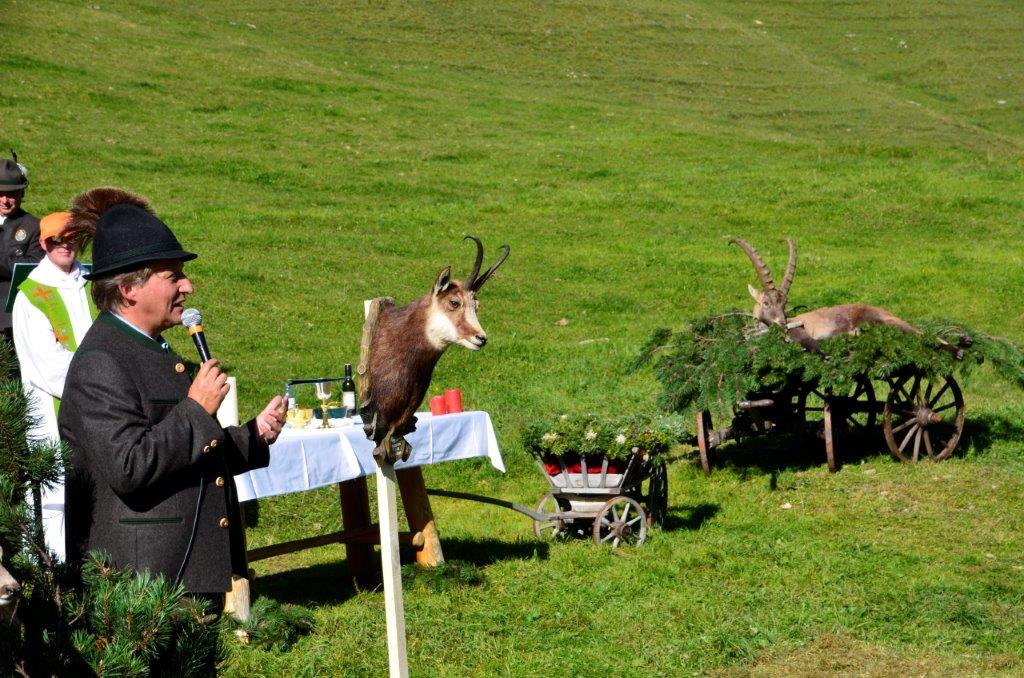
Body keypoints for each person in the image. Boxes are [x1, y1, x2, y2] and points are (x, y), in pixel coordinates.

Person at [58, 187, 286, 598]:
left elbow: (188, 454)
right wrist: (197, 408)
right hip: (140, 588)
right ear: (129, 289)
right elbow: (130, 468)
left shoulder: (159, 352)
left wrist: (254, 435)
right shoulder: (101, 362)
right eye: (173, 276)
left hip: (185, 576)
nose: (188, 286)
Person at [11, 212, 97, 561]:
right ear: (43, 244)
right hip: (53, 407)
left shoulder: (92, 280)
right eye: (55, 240)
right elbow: (49, 365)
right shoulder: (32, 295)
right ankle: (51, 576)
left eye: (71, 239)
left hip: (96, 402)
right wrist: (100, 386)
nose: (65, 246)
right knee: (52, 498)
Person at [0, 153, 44, 346]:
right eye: (0, 194)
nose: (5, 200)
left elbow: (33, 266)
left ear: (22, 194)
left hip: (11, 314)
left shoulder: (34, 226)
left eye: (11, 194)